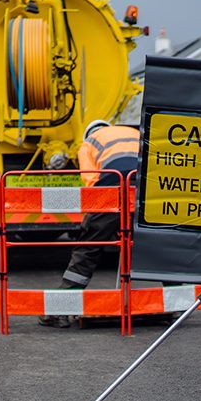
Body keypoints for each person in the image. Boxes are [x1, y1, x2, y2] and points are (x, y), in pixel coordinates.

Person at [39, 120, 139, 328]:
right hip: (147, 185)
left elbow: (92, 181)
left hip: (113, 186)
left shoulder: (88, 144)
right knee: (155, 243)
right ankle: (176, 301)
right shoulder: (132, 132)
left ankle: (59, 310)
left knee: (88, 248)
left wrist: (96, 220)